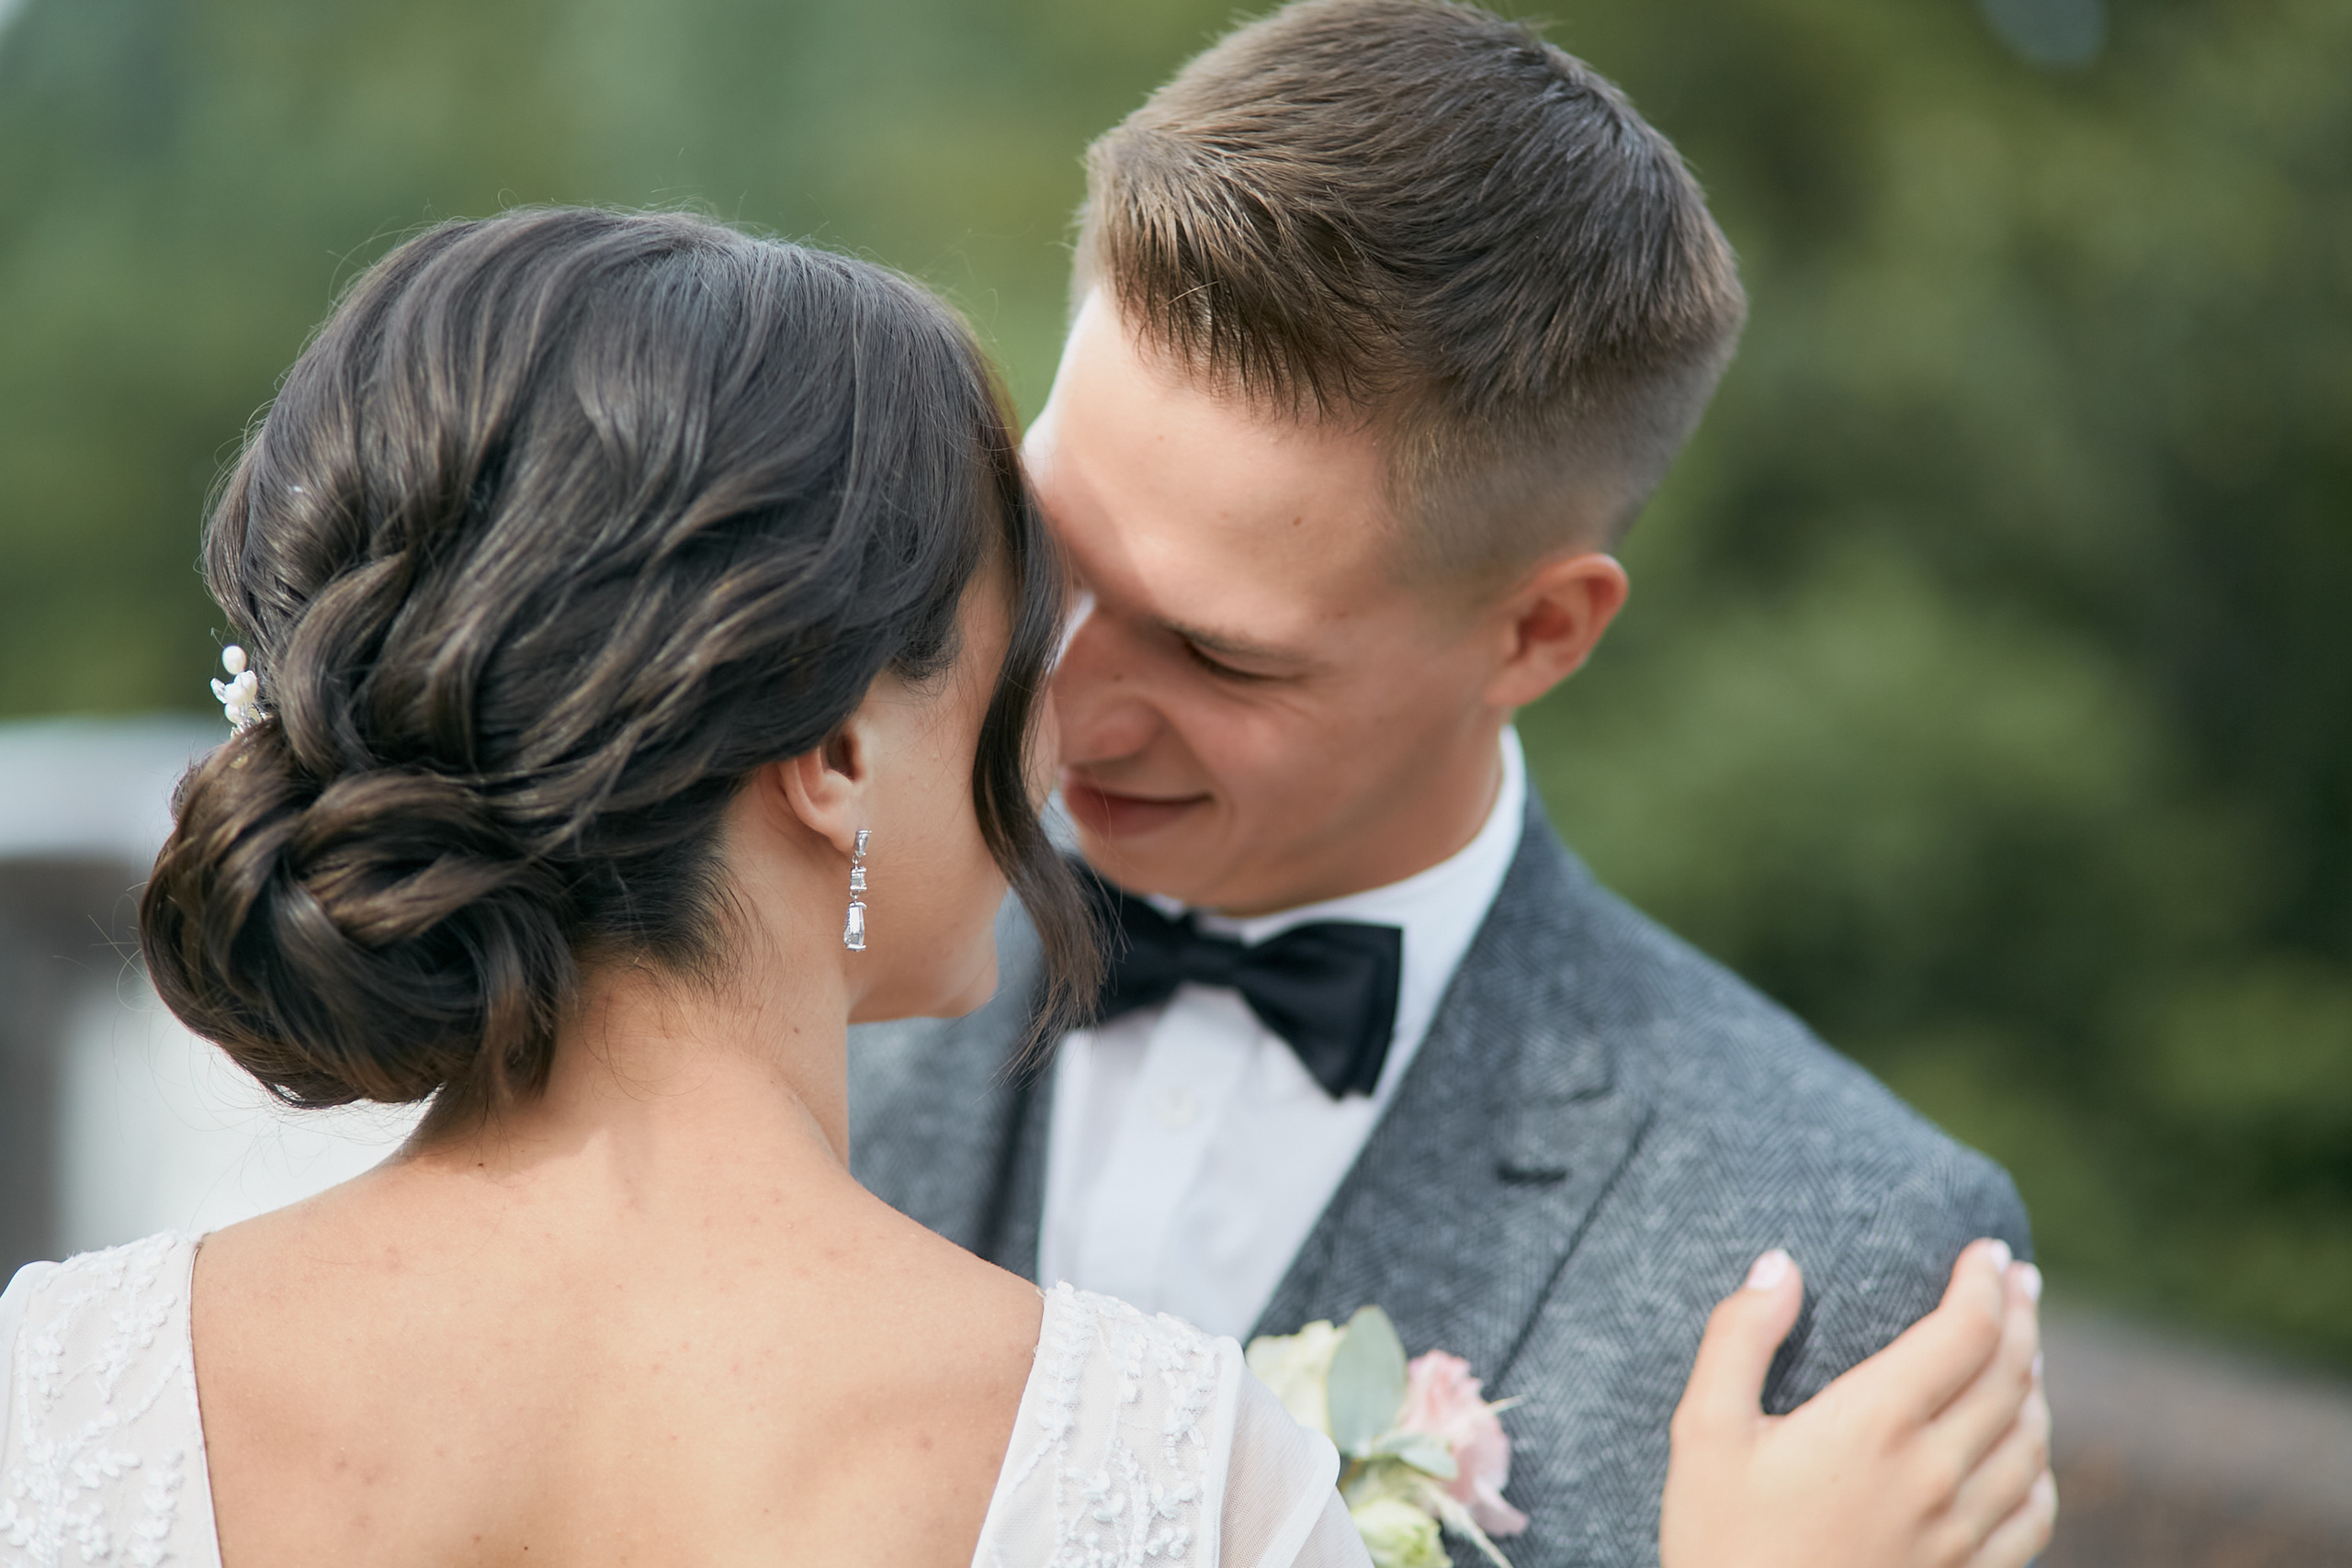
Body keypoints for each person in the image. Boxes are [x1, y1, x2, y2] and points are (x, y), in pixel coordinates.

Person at [0, 209, 2046, 1568]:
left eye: (1214, 649)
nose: (1061, 726)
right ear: (822, 752)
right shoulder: (1181, 1474)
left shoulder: (54, 1392)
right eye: (1016, 626)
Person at [846, 3, 2050, 1562]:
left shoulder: (1835, 1262)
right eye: (1047, 552)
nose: (1062, 712)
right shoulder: (793, 958)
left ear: (1540, 633)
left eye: (1223, 660)